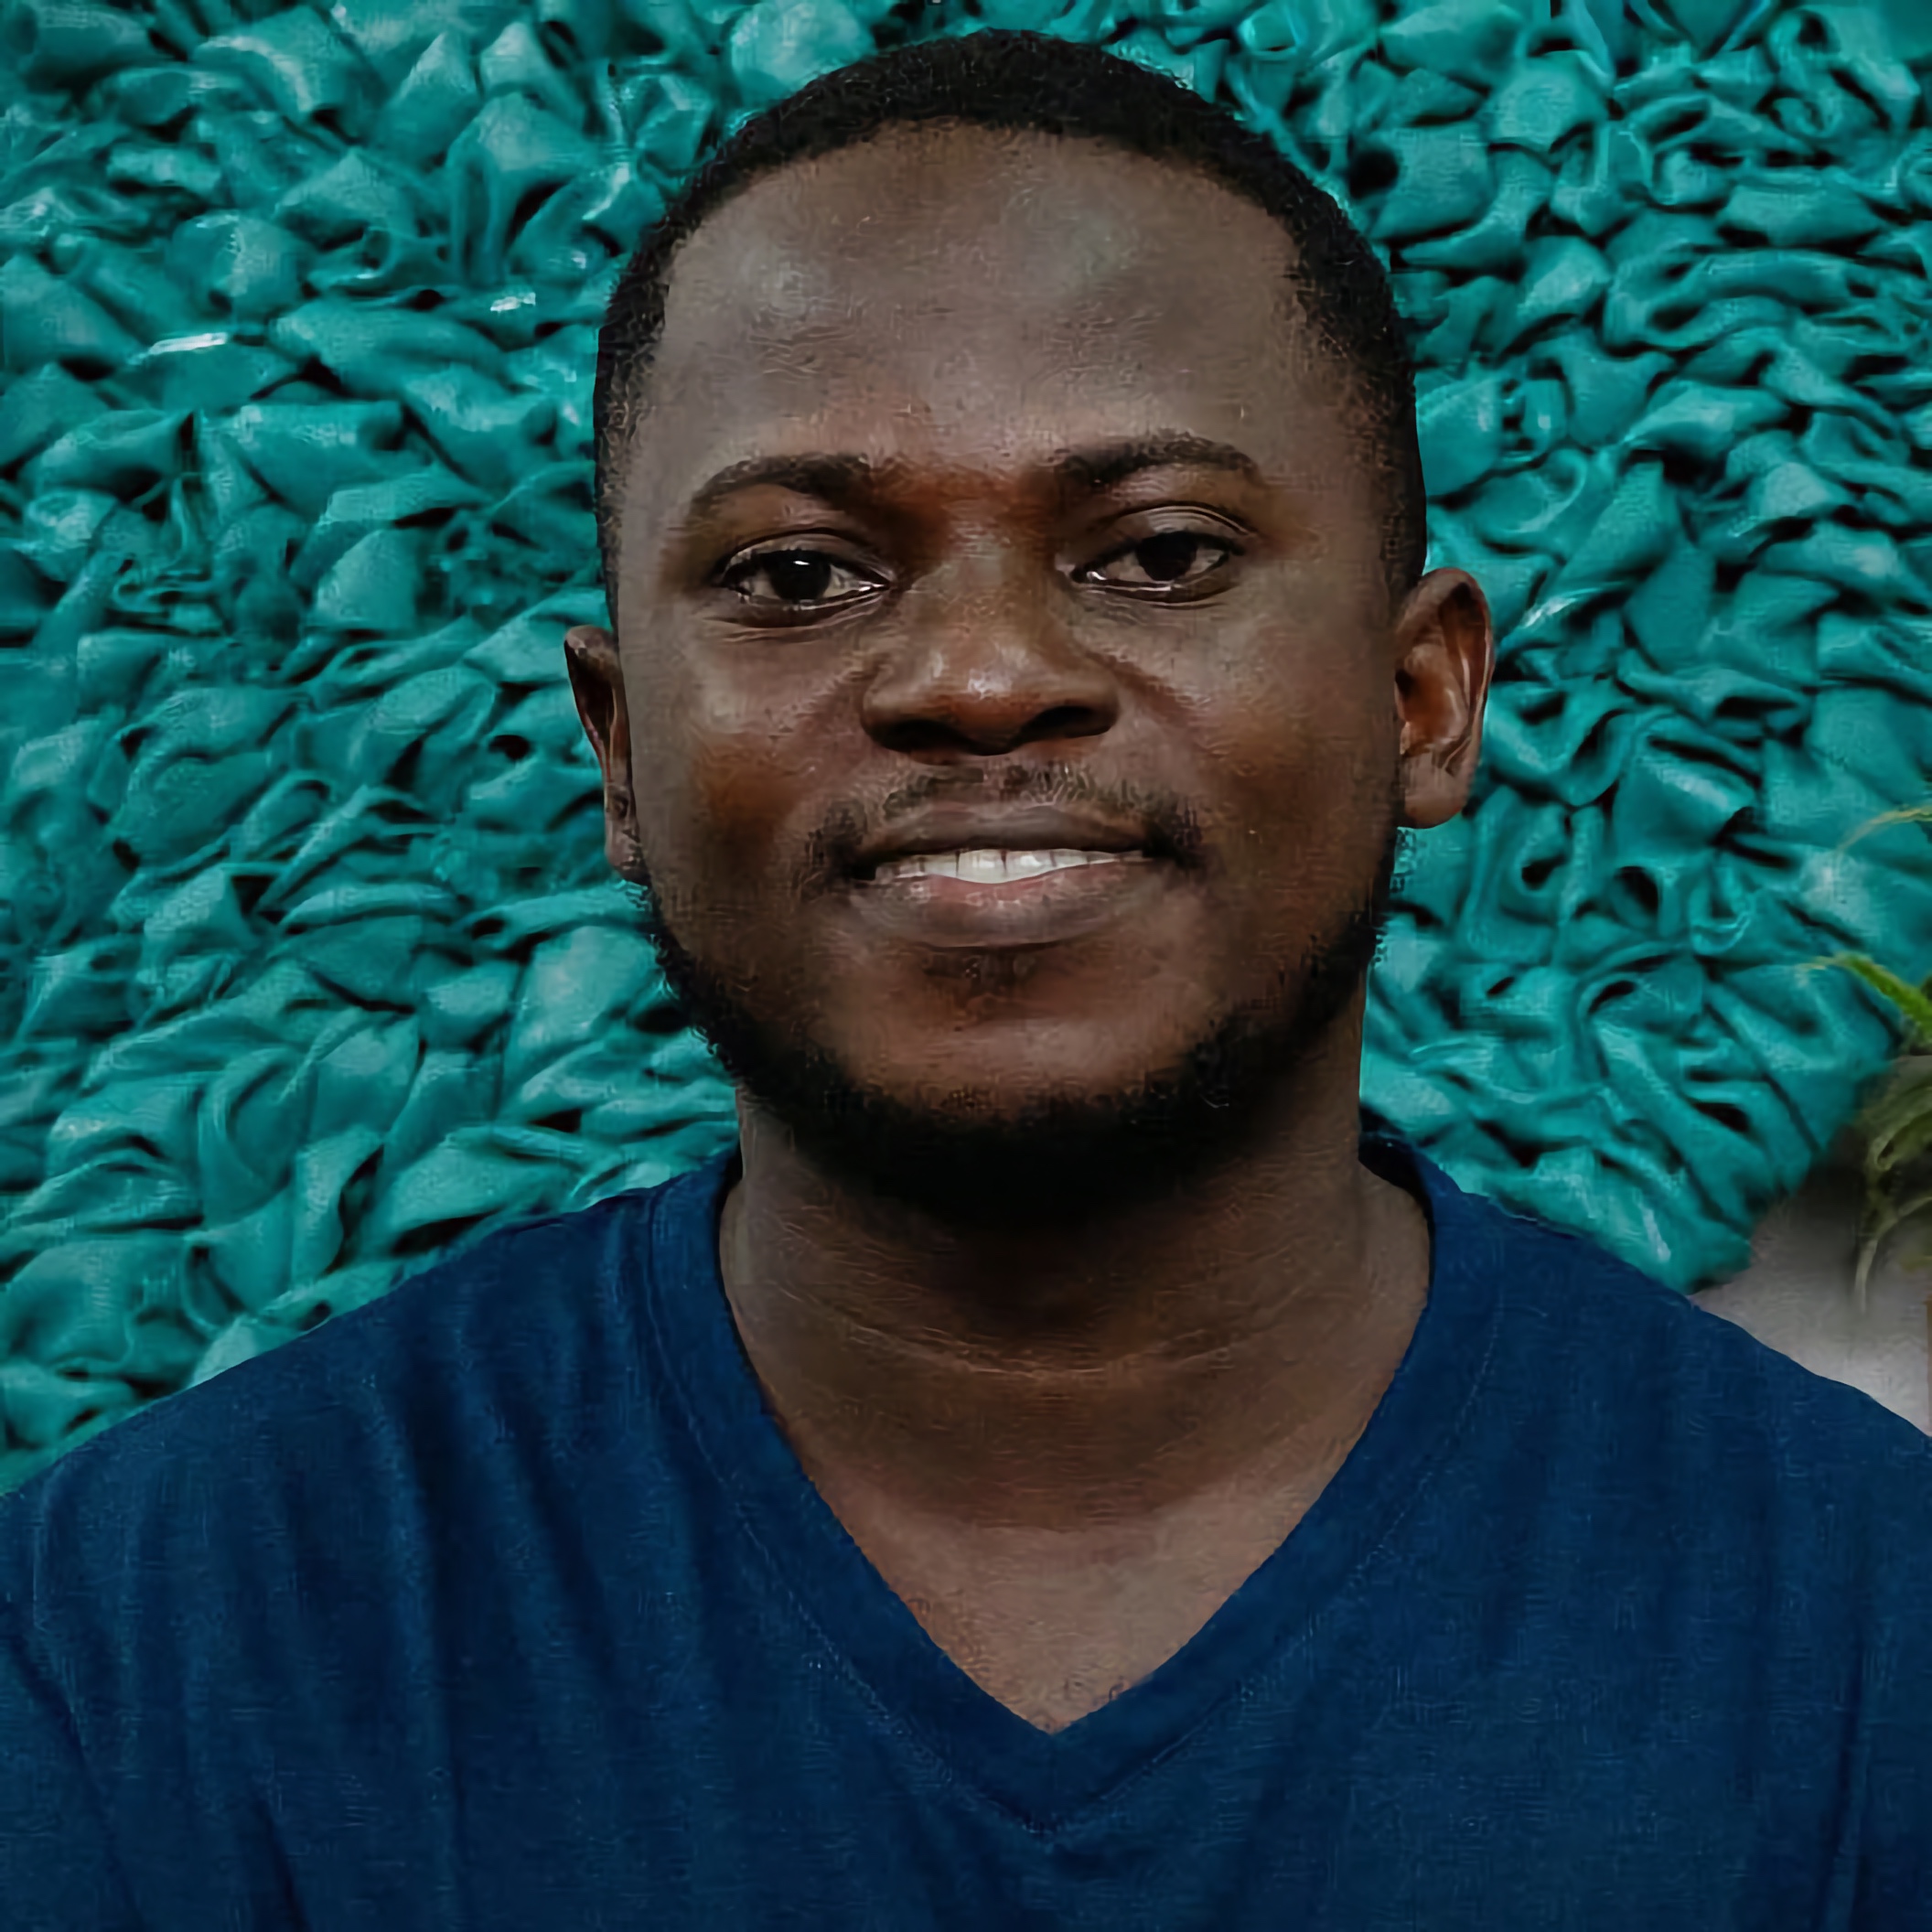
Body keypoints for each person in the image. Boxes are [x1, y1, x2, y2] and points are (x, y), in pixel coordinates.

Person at [2, 27, 1927, 1929]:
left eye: (1160, 554)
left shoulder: (1871, 1639)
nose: (983, 678)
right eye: (797, 576)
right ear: (620, 750)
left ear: (1424, 698)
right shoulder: (138, 1647)